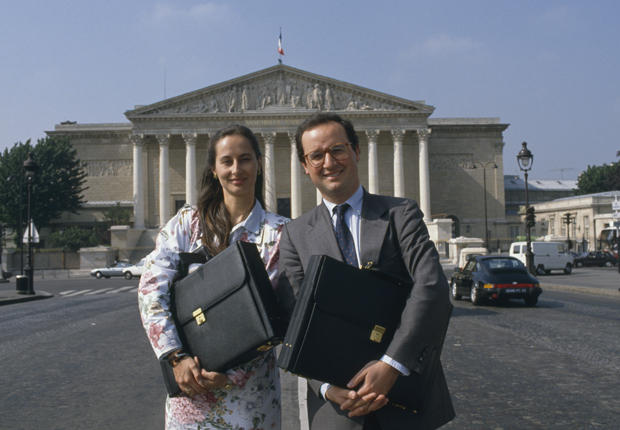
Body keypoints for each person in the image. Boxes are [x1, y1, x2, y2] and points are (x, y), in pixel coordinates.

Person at [278, 113, 455, 429]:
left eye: (338, 150)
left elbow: (431, 286)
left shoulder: (401, 213)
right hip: (337, 410)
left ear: (356, 151)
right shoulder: (294, 234)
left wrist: (391, 365)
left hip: (407, 397)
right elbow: (297, 322)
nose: (329, 162)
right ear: (305, 166)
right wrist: (327, 388)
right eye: (316, 156)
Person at [138, 125, 289, 429]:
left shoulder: (282, 233)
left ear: (259, 164)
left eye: (245, 159)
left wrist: (229, 375)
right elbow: (151, 290)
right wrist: (176, 357)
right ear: (214, 169)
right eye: (227, 161)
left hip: (250, 398)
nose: (237, 169)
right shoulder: (186, 223)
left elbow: (277, 316)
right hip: (189, 390)